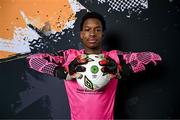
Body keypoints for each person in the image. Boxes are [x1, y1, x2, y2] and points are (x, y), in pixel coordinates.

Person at [27, 12, 162, 120]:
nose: (92, 34)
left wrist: (124, 69)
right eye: (87, 29)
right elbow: (32, 60)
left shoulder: (114, 58)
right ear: (81, 34)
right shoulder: (69, 57)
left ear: (102, 35)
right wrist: (62, 71)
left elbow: (153, 57)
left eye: (97, 30)